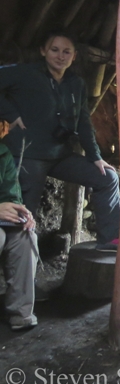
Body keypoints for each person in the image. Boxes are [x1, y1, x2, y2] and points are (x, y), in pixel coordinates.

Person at [0, 30, 120, 252]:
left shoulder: (76, 84)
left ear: (74, 56)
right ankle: (19, 273)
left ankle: (110, 240)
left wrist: (95, 157)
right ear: (43, 51)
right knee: (24, 215)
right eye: (54, 50)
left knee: (108, 177)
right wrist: (10, 114)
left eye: (67, 51)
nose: (60, 56)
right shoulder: (25, 74)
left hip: (60, 155)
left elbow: (84, 121)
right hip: (28, 156)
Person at [0, 141, 38, 330]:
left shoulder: (2, 153)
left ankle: (20, 313)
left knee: (25, 237)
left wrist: (21, 212)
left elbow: (10, 194)